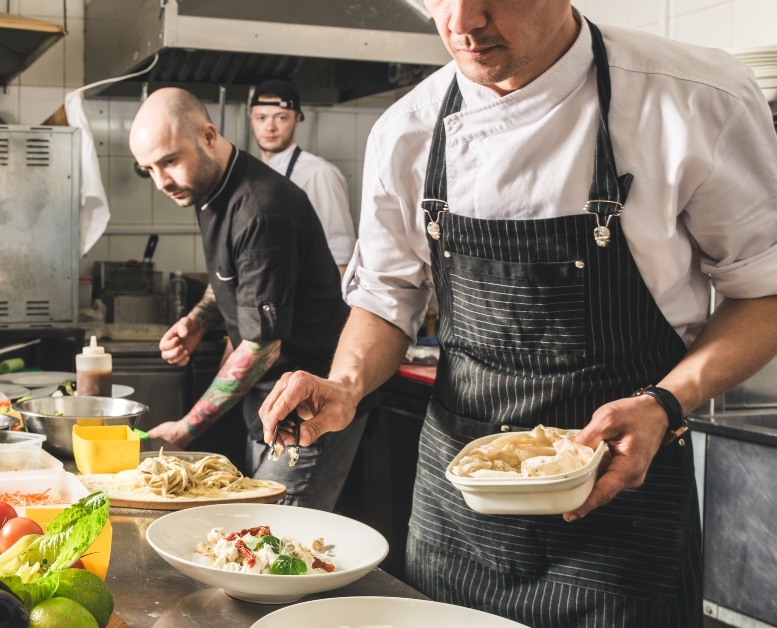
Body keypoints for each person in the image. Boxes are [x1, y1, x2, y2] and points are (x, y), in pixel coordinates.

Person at [260, 1, 777, 626]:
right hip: (457, 520)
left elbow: (764, 293)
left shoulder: (693, 99)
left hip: (620, 512)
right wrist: (345, 383)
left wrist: (665, 402)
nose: (463, 22)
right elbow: (388, 296)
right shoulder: (407, 130)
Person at [130, 87, 359, 510]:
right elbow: (228, 277)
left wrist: (185, 428)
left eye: (169, 161)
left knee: (278, 544)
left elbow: (261, 347)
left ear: (208, 135)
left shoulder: (261, 210)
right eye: (149, 169)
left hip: (306, 411)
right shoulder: (206, 189)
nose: (162, 181)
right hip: (264, 405)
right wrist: (199, 320)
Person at [249, 79, 356, 276]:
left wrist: (334, 306)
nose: (270, 127)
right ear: (251, 119)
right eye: (261, 118)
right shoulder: (250, 175)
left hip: (306, 299)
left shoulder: (319, 173)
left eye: (281, 118)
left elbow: (341, 253)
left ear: (297, 119)